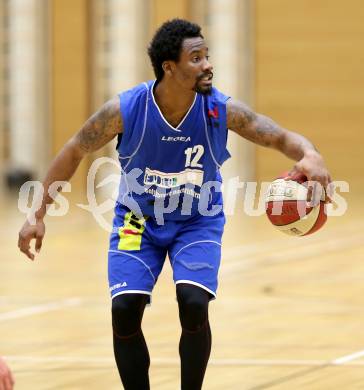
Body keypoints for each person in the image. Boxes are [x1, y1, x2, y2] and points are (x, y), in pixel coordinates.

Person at [18, 19, 331, 390]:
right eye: (196, 58)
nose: (208, 65)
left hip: (196, 221)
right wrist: (37, 214)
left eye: (207, 56)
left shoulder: (219, 110)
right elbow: (74, 149)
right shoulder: (126, 109)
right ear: (170, 67)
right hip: (137, 219)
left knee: (194, 303)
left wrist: (310, 153)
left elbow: (275, 135)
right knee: (124, 310)